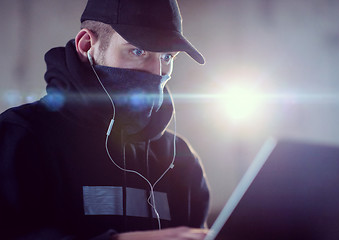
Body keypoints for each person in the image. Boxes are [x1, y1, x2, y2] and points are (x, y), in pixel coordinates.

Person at [0, 0, 210, 239]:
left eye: (167, 57)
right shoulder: (22, 137)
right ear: (87, 45)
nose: (157, 72)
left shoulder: (181, 159)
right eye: (138, 51)